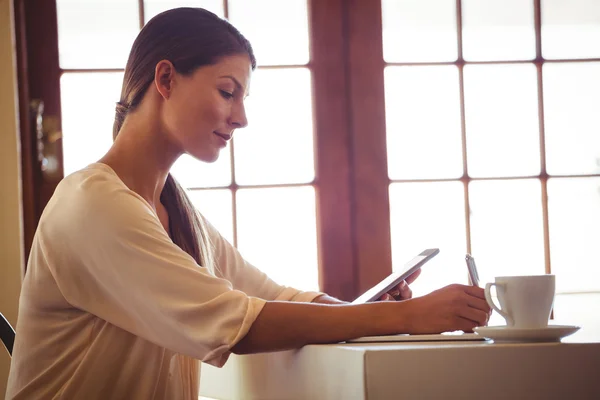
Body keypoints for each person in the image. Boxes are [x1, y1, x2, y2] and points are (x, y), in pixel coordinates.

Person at [6, 7, 491, 400]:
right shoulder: (93, 205)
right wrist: (404, 318)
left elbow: (271, 298)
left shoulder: (174, 209)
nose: (241, 117)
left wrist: (361, 309)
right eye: (227, 92)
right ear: (166, 79)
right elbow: (239, 325)